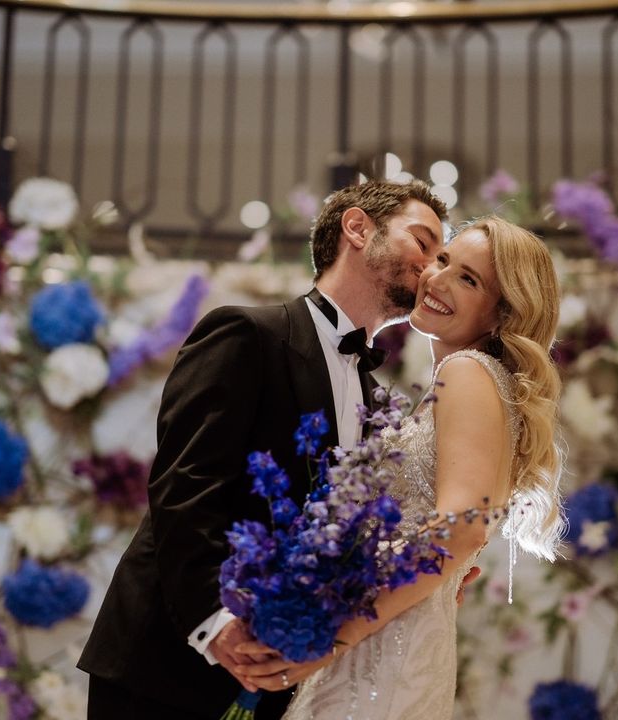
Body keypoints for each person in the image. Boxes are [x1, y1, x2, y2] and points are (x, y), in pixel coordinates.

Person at [77, 179, 448, 720]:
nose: (432, 268)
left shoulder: (377, 400)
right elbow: (185, 485)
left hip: (277, 680)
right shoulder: (245, 333)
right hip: (166, 664)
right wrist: (216, 621)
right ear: (357, 228)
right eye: (422, 242)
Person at [235, 215, 565, 719]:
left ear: (502, 316)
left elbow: (461, 529)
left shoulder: (468, 372)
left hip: (381, 658)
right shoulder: (476, 383)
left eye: (468, 280)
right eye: (444, 260)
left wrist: (329, 639)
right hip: (397, 642)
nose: (437, 279)